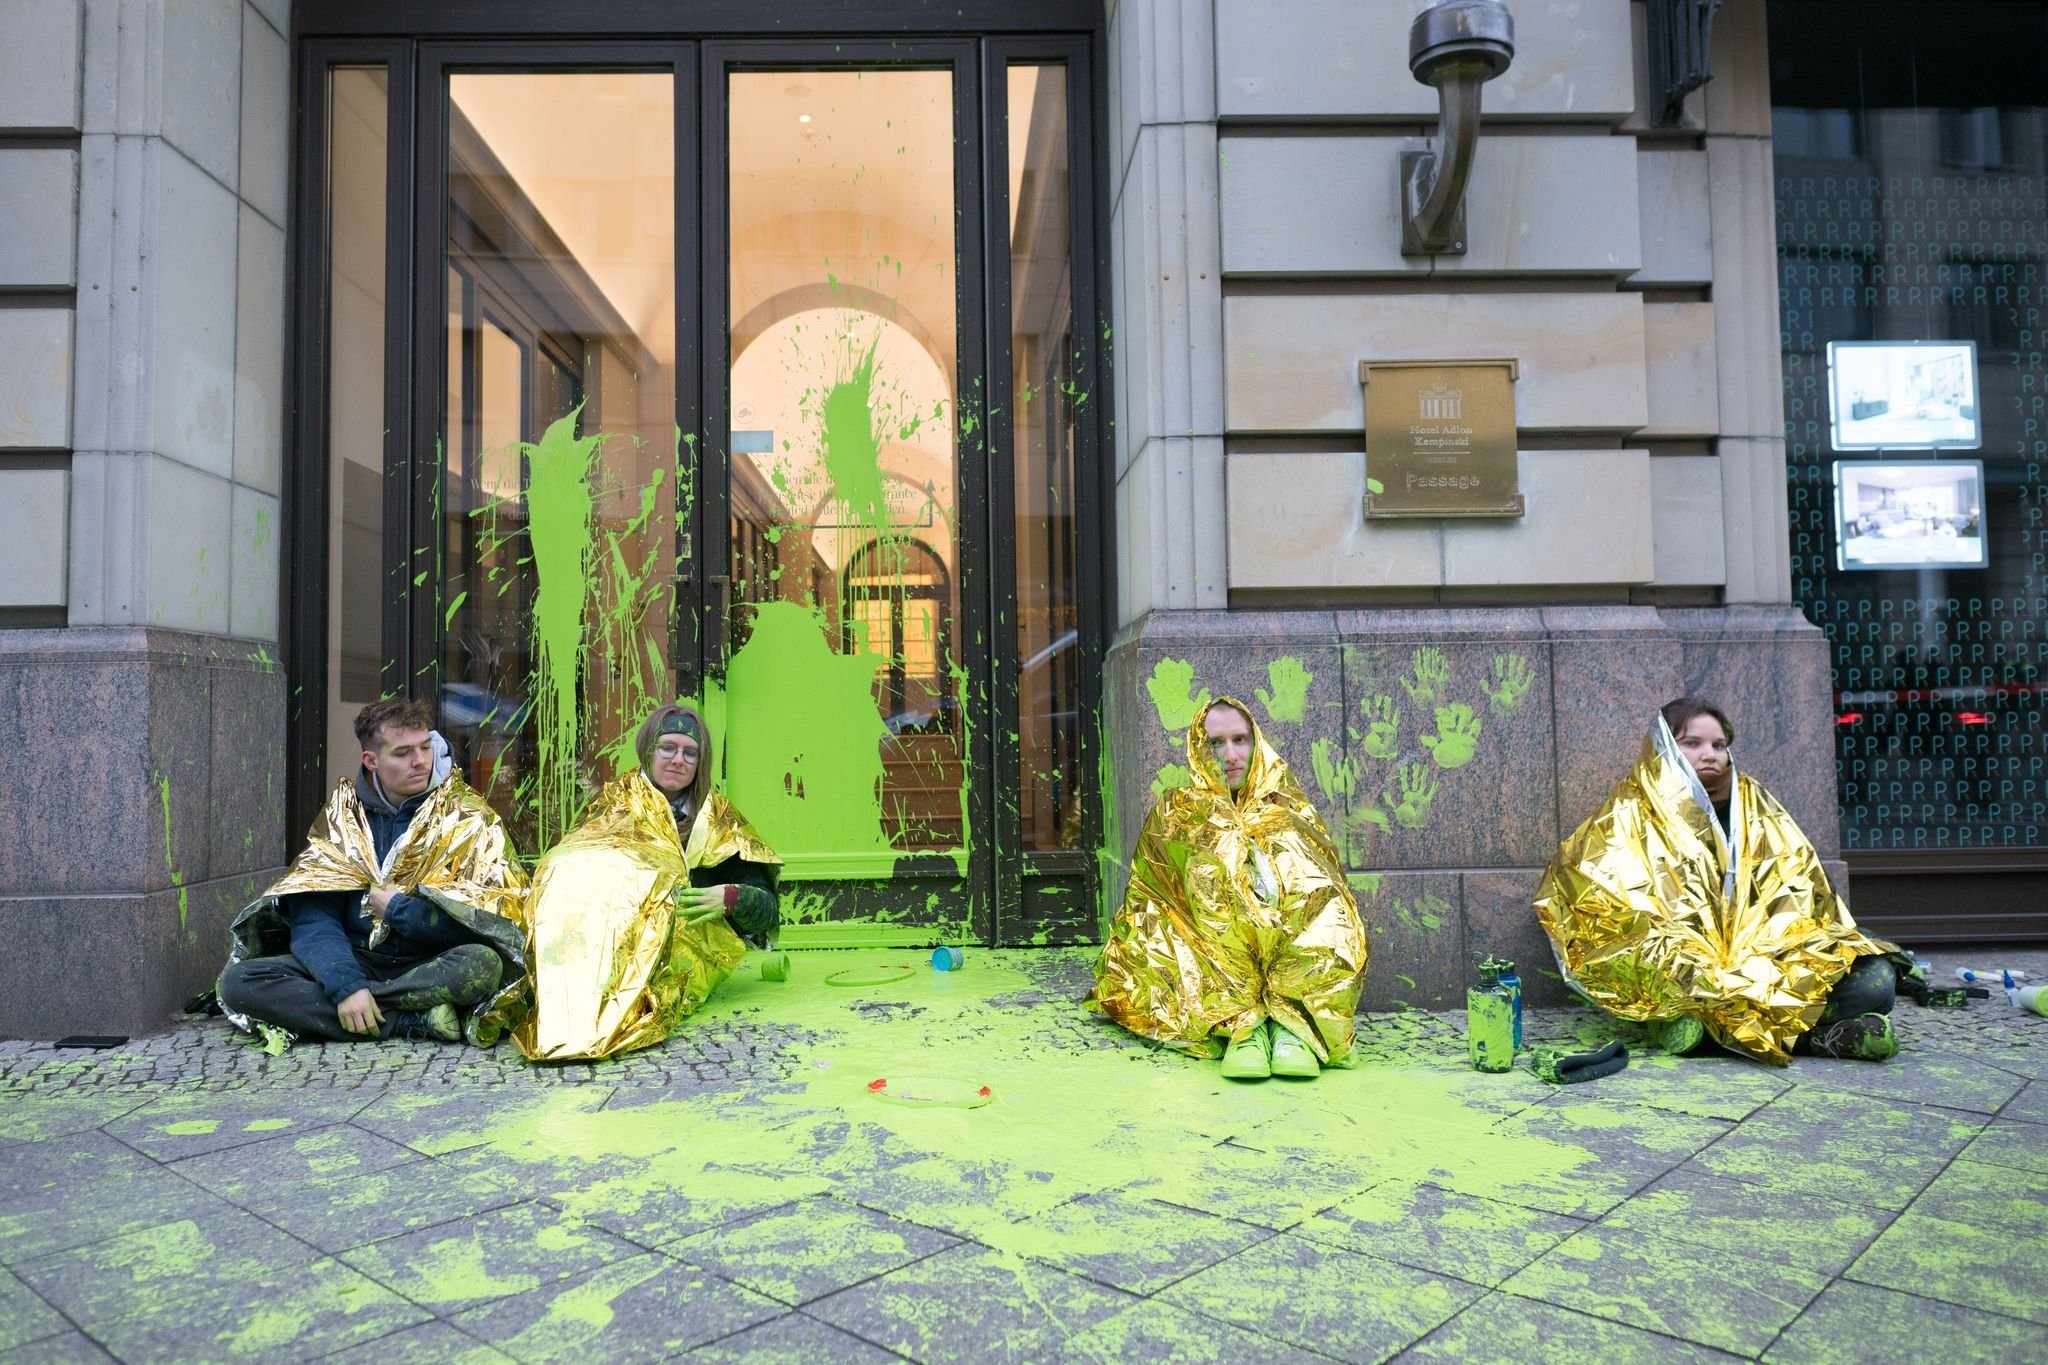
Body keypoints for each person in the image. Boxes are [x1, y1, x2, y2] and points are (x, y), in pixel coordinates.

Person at [1535, 697, 1900, 1065]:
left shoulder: (1753, 804)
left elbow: (1800, 893)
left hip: (1764, 963)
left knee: (1878, 982)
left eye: (1719, 745)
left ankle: (1719, 1032)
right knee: (1695, 994)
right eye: (1692, 743)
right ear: (1662, 746)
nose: (1709, 754)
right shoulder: (1627, 815)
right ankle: (1799, 1036)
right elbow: (1604, 907)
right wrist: (1703, 969)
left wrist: (1759, 962)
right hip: (1685, 973)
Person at [217, 698, 530, 1049]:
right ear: (372, 760)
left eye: (426, 747)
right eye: (403, 753)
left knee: (482, 965)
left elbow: (483, 924)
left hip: (428, 962)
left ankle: (357, 1012)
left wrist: (400, 910)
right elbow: (314, 920)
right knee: (238, 982)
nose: (420, 761)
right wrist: (347, 986)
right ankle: (407, 1018)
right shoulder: (343, 819)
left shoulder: (465, 818)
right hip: (356, 958)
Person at [1087, 696, 1369, 1080]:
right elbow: (1153, 901)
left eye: (1240, 740)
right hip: (1213, 962)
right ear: (1198, 749)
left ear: (1258, 745)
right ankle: (1243, 1026)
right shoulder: (1177, 813)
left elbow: (1327, 901)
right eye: (1216, 743)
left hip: (1286, 952)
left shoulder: (1289, 811)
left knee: (1317, 892)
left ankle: (1295, 1024)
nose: (1230, 754)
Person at [513, 703, 782, 1061]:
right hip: (604, 955)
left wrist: (732, 898)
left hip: (677, 960)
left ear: (701, 762)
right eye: (667, 748)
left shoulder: (718, 821)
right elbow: (573, 874)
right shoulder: (613, 806)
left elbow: (768, 911)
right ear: (648, 750)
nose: (678, 760)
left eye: (690, 752)